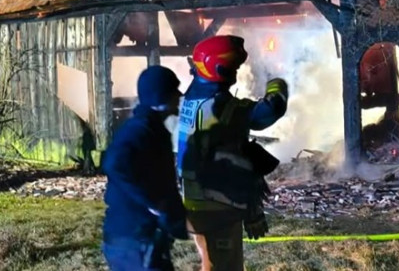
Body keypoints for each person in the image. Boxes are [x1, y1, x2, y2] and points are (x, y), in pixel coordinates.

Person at [176, 35, 289, 271]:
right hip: (218, 205)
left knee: (211, 261)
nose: (235, 72)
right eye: (233, 68)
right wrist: (277, 83)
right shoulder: (225, 108)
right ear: (221, 70)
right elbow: (270, 110)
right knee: (226, 267)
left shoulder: (190, 99)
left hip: (194, 199)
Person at [102, 66, 189, 271]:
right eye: (174, 91)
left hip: (139, 238)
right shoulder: (140, 130)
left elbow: (164, 183)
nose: (179, 95)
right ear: (162, 96)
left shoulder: (155, 130)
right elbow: (114, 163)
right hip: (132, 240)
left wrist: (178, 221)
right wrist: (151, 203)